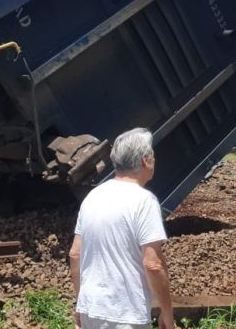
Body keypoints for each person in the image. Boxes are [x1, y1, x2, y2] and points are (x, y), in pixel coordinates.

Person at [69, 128, 173, 329]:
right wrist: (167, 313)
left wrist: (80, 304)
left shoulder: (93, 196)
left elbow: (75, 254)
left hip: (91, 308)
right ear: (146, 160)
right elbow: (153, 264)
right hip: (125, 315)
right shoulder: (144, 201)